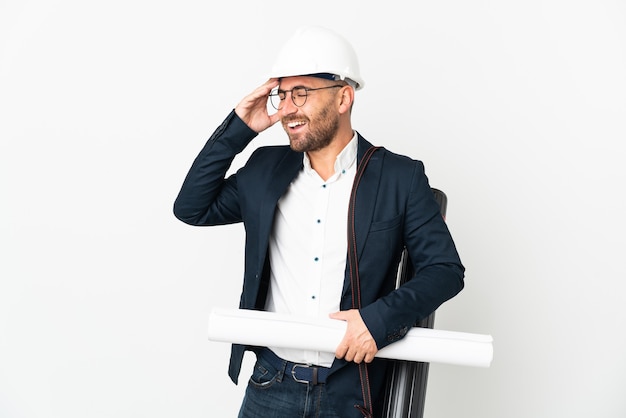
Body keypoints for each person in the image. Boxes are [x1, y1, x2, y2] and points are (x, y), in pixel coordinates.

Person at [173, 26, 464, 418]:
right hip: (269, 384)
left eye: (302, 94)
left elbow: (445, 270)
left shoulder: (400, 178)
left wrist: (376, 321)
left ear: (344, 97)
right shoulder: (264, 171)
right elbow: (191, 207)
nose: (287, 109)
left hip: (351, 391)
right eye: (283, 94)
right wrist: (240, 126)